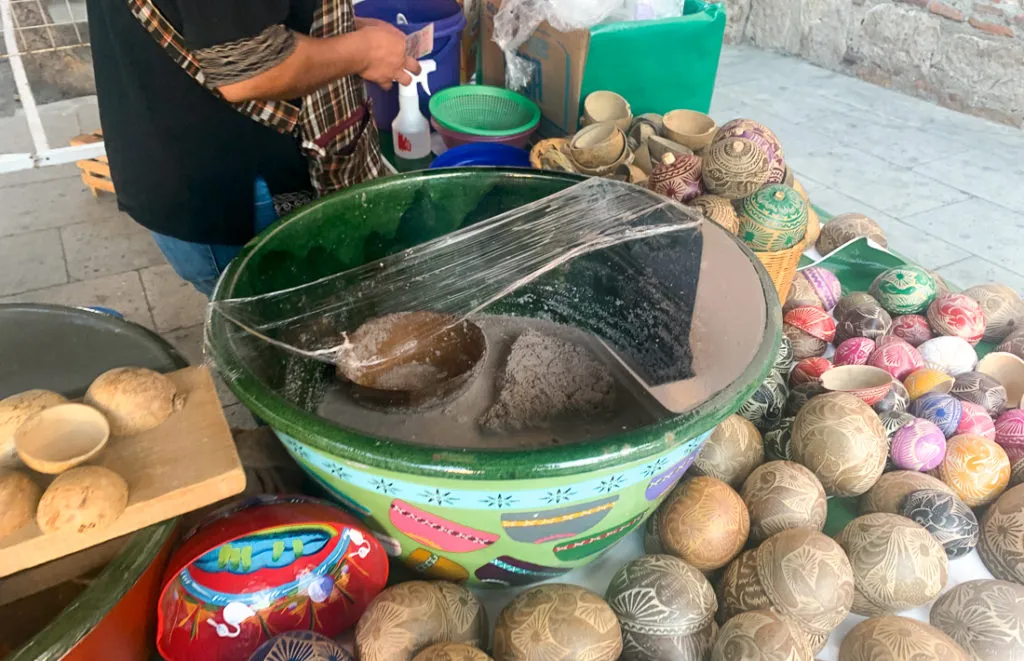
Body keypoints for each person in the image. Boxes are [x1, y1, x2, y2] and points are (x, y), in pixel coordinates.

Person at [85, 0, 421, 296]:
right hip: (233, 182)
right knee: (282, 326)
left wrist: (340, 26)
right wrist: (365, 52)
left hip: (178, 149)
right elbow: (247, 69)